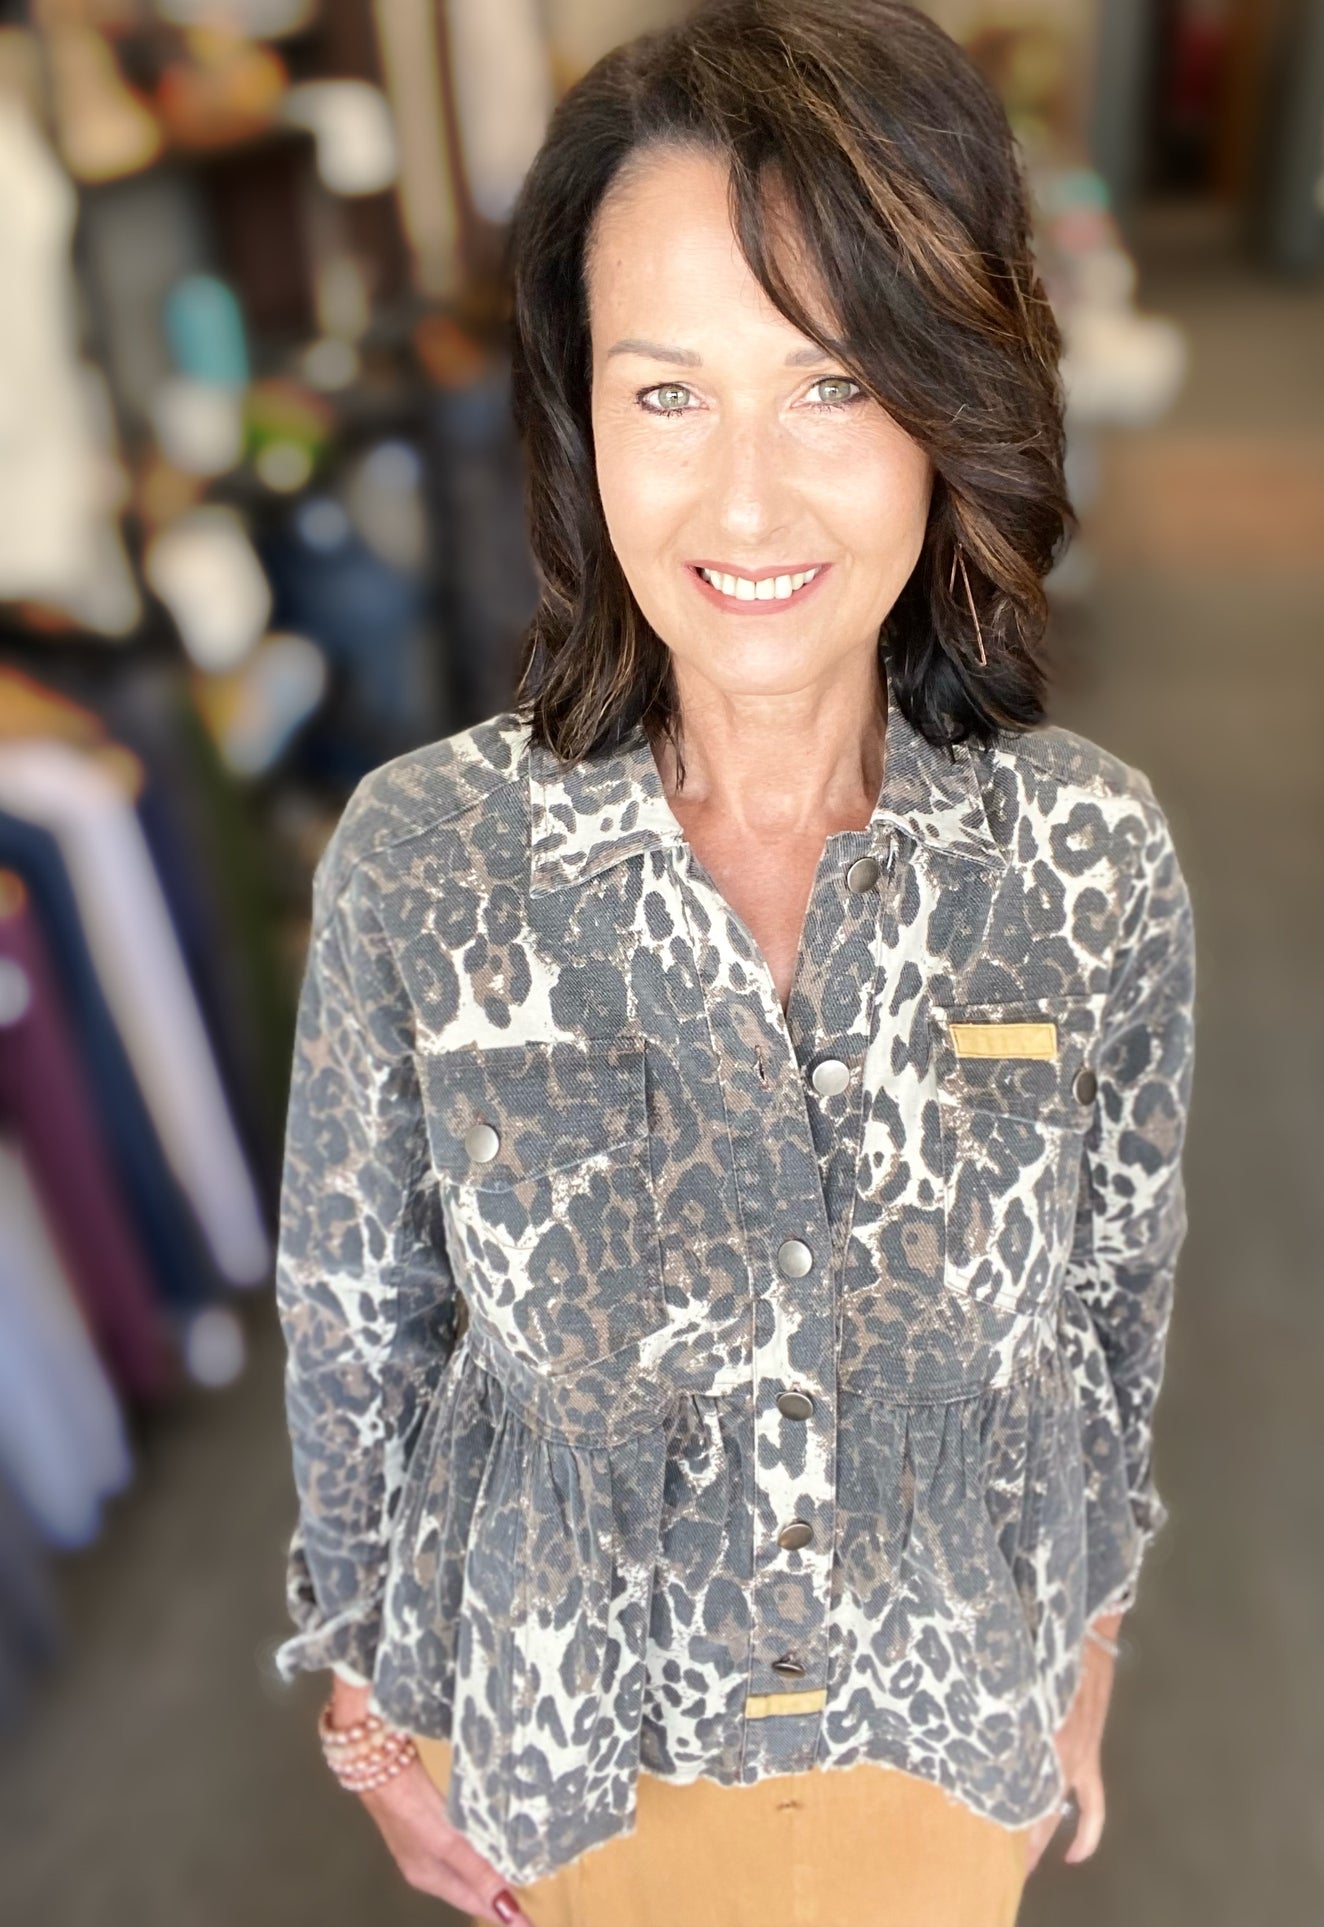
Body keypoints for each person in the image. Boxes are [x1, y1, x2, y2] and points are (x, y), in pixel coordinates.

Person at [270, 3, 1196, 1922]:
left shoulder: (1087, 858)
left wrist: (1090, 1636)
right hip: (575, 1773)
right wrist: (366, 1719)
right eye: (668, 394)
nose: (747, 502)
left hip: (946, 1751)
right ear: (580, 416)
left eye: (832, 385)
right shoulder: (427, 861)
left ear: (950, 395)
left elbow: (1110, 1309)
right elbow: (360, 1333)